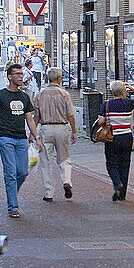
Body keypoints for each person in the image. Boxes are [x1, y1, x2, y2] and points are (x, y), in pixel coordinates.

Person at [0, 62, 41, 218]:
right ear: (9, 77)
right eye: (17, 74)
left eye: (21, 74)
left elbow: (29, 119)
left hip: (21, 138)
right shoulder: (0, 96)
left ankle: (12, 193)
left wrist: (37, 137)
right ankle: (13, 207)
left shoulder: (24, 96)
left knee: (22, 171)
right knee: (10, 173)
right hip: (5, 138)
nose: (21, 77)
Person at [93, 80, 134, 201]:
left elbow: (101, 121)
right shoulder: (129, 103)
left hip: (112, 138)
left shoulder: (107, 104)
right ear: (123, 91)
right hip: (127, 137)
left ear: (112, 92)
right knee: (125, 164)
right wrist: (132, 88)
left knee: (111, 164)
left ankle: (117, 184)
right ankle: (122, 194)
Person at [33, 67, 77, 202]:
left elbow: (36, 116)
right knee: (64, 158)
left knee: (45, 161)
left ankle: (49, 193)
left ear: (48, 78)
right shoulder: (64, 94)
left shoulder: (40, 94)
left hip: (46, 128)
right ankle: (67, 181)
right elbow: (71, 114)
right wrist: (74, 131)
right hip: (61, 128)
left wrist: (33, 133)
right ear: (59, 78)